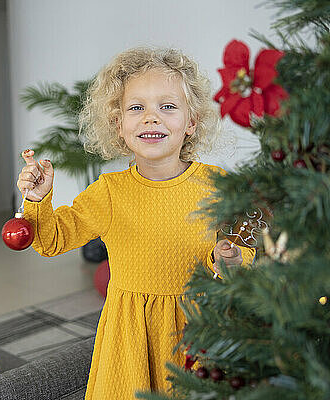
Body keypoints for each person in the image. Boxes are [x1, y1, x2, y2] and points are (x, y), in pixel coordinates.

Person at [16, 47, 256, 399]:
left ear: (192, 122)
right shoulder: (110, 192)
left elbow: (240, 251)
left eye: (168, 106)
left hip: (200, 327)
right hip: (130, 336)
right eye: (136, 108)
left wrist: (232, 260)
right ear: (119, 124)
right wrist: (38, 200)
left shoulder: (218, 185)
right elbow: (52, 240)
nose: (151, 118)